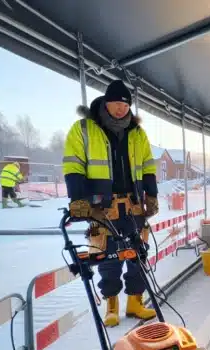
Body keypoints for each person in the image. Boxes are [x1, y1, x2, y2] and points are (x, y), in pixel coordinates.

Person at [62, 80, 159, 327]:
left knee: (138, 251)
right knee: (107, 255)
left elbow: (148, 166)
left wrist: (151, 195)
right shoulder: (84, 129)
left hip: (133, 202)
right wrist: (78, 200)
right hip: (101, 206)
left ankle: (136, 302)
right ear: (106, 103)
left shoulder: (137, 133)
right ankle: (112, 305)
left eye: (125, 104)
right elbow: (73, 166)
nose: (120, 109)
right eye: (116, 103)